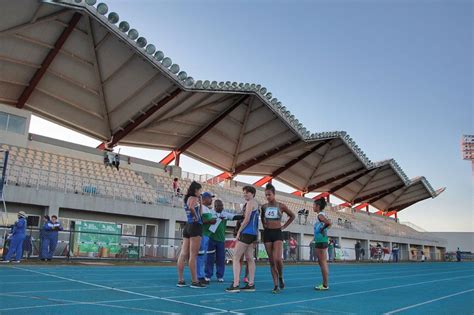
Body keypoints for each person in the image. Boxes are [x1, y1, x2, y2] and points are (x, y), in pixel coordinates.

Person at [260, 183, 295, 293]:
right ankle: (275, 285)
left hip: (277, 233)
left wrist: (284, 226)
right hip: (267, 233)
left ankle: (280, 276)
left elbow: (292, 216)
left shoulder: (281, 206)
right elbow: (262, 217)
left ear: (274, 194)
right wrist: (264, 225)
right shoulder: (264, 207)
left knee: (277, 259)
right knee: (271, 261)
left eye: (269, 194)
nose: (267, 197)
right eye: (266, 195)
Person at [226, 186, 259, 293]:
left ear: (252, 193)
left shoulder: (250, 203)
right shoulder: (256, 204)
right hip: (253, 234)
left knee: (235, 257)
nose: (245, 194)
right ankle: (251, 284)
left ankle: (235, 284)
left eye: (247, 193)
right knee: (250, 258)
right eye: (244, 193)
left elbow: (247, 219)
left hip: (246, 233)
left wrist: (239, 231)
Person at [177, 181, 206, 288]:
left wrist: (201, 202)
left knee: (183, 254)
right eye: (200, 190)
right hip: (195, 226)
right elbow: (192, 208)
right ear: (196, 190)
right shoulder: (194, 198)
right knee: (193, 255)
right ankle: (195, 281)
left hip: (188, 226)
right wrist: (196, 217)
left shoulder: (187, 198)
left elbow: (193, 208)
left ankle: (180, 280)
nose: (200, 192)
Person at [205, 199, 243, 282]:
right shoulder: (210, 213)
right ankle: (208, 275)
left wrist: (244, 215)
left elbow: (234, 217)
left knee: (221, 258)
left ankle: (220, 276)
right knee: (209, 258)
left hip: (221, 240)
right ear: (215, 206)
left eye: (222, 205)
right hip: (211, 238)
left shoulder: (224, 214)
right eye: (220, 206)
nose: (222, 207)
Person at [197, 192, 217, 284]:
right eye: (210, 198)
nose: (211, 200)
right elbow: (200, 220)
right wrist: (210, 221)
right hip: (202, 234)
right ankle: (199, 276)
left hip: (206, 235)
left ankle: (201, 275)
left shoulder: (207, 209)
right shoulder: (202, 208)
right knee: (200, 256)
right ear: (204, 199)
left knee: (203, 256)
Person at [313, 198, 332, 290]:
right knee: (322, 263)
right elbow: (329, 224)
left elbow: (328, 223)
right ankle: (325, 284)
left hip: (321, 241)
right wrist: (324, 229)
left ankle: (325, 285)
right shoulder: (322, 215)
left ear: (318, 206)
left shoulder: (320, 215)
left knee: (323, 263)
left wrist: (322, 229)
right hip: (322, 240)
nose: (313, 207)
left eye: (314, 205)